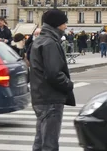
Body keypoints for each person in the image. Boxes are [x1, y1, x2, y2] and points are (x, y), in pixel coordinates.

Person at [29, 9, 75, 151]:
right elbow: (54, 73)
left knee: (41, 140)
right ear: (57, 24)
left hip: (41, 95)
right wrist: (68, 84)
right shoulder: (50, 43)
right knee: (49, 142)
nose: (66, 26)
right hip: (50, 97)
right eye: (64, 23)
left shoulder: (41, 41)